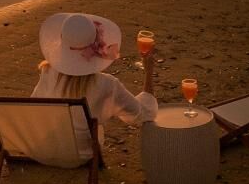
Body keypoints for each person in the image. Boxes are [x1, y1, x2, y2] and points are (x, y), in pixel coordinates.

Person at [33, 12, 157, 161]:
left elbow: (35, 108)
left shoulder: (47, 73)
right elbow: (142, 113)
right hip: (81, 156)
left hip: (45, 151)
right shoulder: (107, 85)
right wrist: (149, 72)